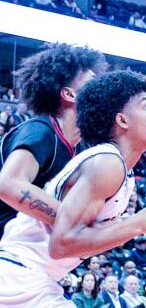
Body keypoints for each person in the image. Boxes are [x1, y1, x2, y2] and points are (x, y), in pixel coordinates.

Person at [0, 70, 146, 307]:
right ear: (122, 120)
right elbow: (62, 244)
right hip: (19, 278)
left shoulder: (120, 170)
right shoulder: (106, 162)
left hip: (31, 279)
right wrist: (138, 224)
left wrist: (131, 224)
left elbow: (80, 237)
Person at [0, 44, 106, 237]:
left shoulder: (80, 148)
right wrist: (74, 222)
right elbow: (8, 184)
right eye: (92, 82)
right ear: (69, 94)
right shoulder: (40, 132)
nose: (101, 88)